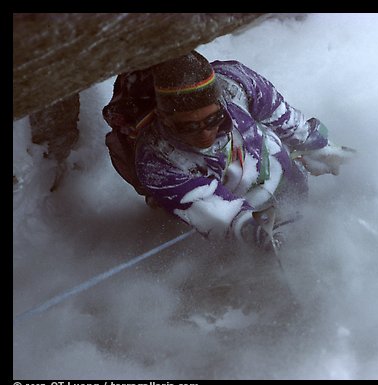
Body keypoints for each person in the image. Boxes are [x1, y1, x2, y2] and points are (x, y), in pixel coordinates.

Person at [103, 50, 351, 248]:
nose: (204, 132)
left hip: (275, 168)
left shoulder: (238, 84)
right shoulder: (156, 160)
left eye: (213, 119)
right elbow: (212, 209)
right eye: (188, 126)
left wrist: (322, 148)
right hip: (241, 203)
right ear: (165, 118)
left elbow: (287, 120)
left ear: (220, 101)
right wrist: (247, 228)